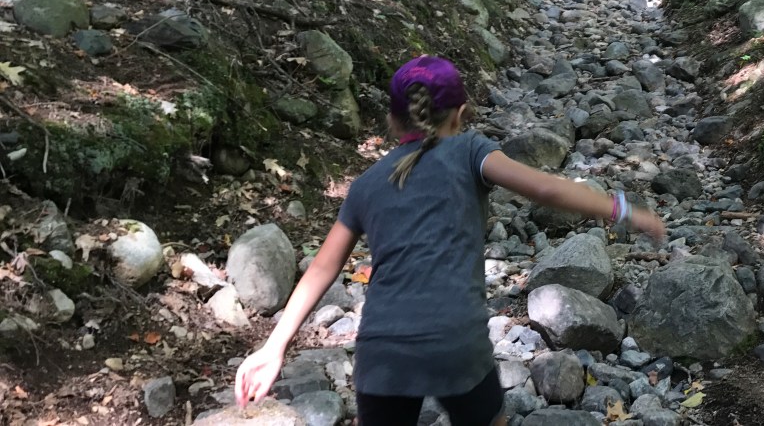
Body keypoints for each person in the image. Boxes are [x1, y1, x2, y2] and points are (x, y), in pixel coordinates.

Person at [234, 55, 665, 426]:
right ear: (460, 114)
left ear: (392, 120)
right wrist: (623, 209)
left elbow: (322, 267)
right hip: (455, 340)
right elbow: (545, 188)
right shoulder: (470, 150)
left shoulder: (365, 184)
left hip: (382, 352)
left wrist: (274, 347)